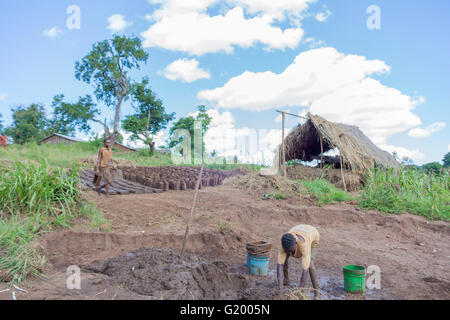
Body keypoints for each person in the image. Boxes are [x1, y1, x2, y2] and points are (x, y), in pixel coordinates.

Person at [277, 224, 320, 296]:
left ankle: (317, 293)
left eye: (291, 250)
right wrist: (280, 289)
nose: (290, 252)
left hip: (312, 235)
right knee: (284, 258)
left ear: (295, 244)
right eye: (288, 250)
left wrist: (299, 291)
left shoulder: (304, 245)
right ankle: (286, 280)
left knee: (310, 264)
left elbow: (305, 270)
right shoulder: (284, 244)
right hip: (297, 229)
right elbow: (279, 266)